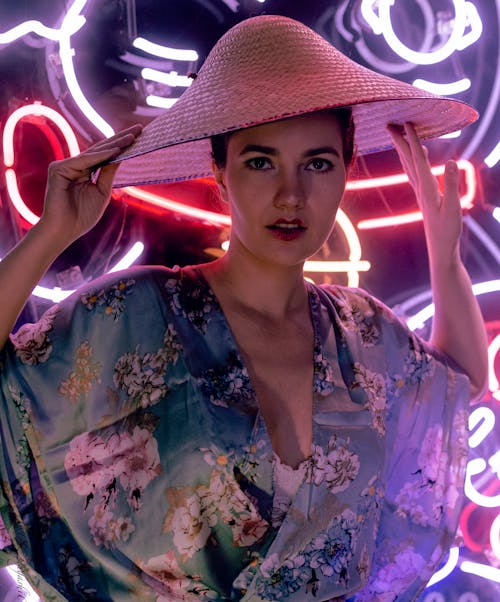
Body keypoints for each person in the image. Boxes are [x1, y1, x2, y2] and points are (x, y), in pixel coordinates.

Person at [0, 14, 487, 602]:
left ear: (346, 171)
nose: (291, 194)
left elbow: (459, 380)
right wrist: (51, 235)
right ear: (220, 175)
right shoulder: (139, 314)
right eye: (261, 162)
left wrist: (445, 252)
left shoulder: (362, 334)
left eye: (318, 163)